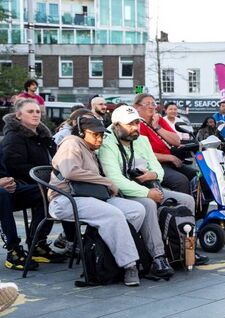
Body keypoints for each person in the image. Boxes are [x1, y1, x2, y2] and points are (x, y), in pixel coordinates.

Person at [97, 106, 209, 277]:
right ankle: (158, 257)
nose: (135, 127)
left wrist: (153, 174)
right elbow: (115, 180)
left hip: (149, 186)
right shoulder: (107, 143)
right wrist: (148, 193)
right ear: (117, 125)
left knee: (187, 200)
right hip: (123, 194)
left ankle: (188, 249)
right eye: (130, 124)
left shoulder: (141, 140)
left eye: (137, 123)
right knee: (149, 204)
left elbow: (158, 169)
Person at [49, 115, 147, 286]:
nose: (99, 139)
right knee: (113, 214)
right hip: (66, 200)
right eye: (95, 134)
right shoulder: (71, 143)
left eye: (102, 135)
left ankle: (107, 255)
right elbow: (70, 171)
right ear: (81, 132)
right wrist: (106, 182)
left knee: (137, 210)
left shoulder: (89, 149)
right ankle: (129, 265)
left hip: (90, 198)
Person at [1, 98, 65, 263]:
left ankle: (39, 244)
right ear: (19, 115)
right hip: (18, 186)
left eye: (37, 111)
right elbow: (14, 165)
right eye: (30, 111)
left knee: (53, 190)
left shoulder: (43, 137)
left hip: (22, 185)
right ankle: (13, 249)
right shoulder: (13, 137)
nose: (36, 114)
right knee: (3, 194)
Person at [134, 93, 195, 195]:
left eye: (153, 103)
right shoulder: (137, 124)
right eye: (147, 104)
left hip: (169, 162)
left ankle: (199, 210)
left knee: (198, 175)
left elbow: (176, 141)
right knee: (181, 181)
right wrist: (170, 157)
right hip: (153, 164)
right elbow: (143, 154)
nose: (151, 106)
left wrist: (157, 127)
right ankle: (181, 208)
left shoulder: (158, 120)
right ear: (137, 107)